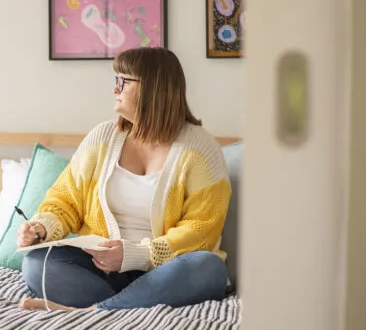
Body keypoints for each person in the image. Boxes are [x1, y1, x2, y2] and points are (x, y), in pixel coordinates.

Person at [17, 47, 232, 312]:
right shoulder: (102, 138)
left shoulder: (200, 150)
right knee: (36, 262)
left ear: (154, 88)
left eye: (122, 82)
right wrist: (43, 226)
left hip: (165, 272)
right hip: (100, 270)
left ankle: (92, 312)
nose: (114, 89)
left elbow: (201, 228)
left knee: (208, 268)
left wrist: (136, 256)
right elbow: (64, 201)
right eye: (115, 81)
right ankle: (126, 306)